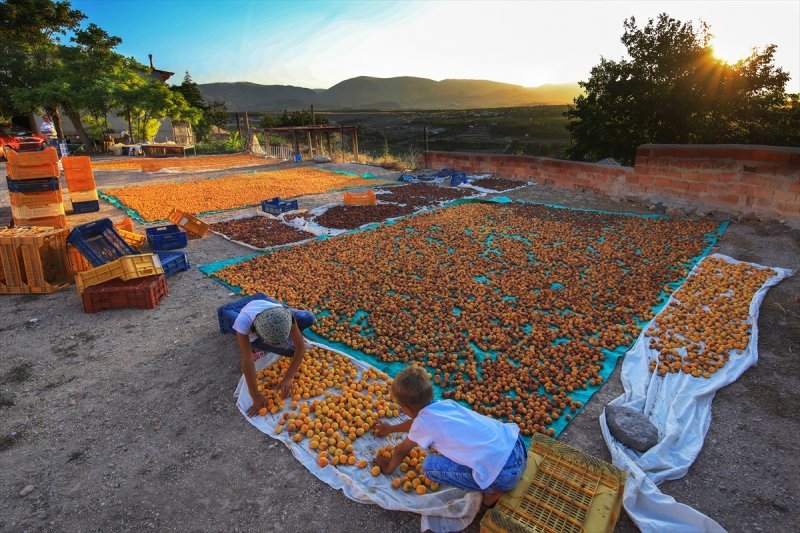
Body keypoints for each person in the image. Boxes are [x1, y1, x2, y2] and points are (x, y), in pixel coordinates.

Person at [373, 365, 527, 506]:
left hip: (504, 474)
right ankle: (494, 480)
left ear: (406, 408)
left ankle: (493, 490)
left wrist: (388, 468)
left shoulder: (423, 423)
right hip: (516, 444)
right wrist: (391, 429)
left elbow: (401, 450)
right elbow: (418, 423)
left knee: (429, 466)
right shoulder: (445, 404)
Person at [232, 299, 315, 417]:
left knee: (309, 318)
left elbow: (300, 347)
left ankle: (288, 334)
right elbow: (247, 360)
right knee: (291, 351)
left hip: (274, 310)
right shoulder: (243, 323)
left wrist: (288, 377)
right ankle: (260, 346)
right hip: (254, 327)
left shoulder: (286, 315)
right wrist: (255, 394)